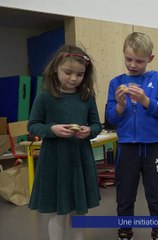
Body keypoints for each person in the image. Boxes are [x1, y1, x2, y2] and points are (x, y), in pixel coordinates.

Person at [28, 45, 101, 240]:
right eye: (67, 73)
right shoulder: (45, 95)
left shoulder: (87, 96)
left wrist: (89, 131)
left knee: (79, 211)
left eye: (79, 74)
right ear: (55, 69)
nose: (73, 78)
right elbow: (33, 125)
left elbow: (96, 125)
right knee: (57, 211)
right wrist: (51, 130)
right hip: (54, 161)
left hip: (79, 160)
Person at [105, 32, 158, 240]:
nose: (133, 65)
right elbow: (111, 118)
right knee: (124, 194)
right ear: (124, 55)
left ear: (150, 59)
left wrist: (144, 99)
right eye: (128, 59)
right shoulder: (116, 82)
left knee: (156, 194)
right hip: (127, 148)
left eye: (139, 61)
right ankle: (125, 231)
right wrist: (121, 106)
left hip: (153, 148)